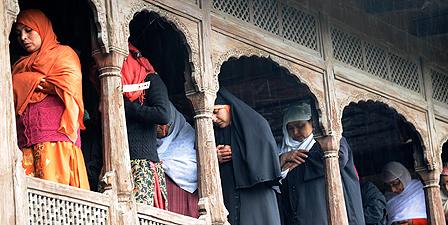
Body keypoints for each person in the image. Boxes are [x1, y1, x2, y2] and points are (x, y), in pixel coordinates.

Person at [12, 9, 89, 189]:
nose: (23, 37)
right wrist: (37, 81)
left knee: (57, 199)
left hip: (57, 143)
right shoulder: (20, 65)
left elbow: (69, 85)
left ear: (42, 29)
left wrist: (25, 82)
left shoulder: (64, 54)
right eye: (19, 34)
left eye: (28, 30)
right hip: (26, 143)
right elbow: (12, 86)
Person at [279, 102, 365, 225]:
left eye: (300, 125)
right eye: (290, 128)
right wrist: (281, 160)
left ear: (313, 123)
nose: (296, 132)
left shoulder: (332, 141)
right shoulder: (283, 152)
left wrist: (289, 167)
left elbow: (336, 158)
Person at [212, 88, 282, 225]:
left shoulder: (257, 125)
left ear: (229, 107)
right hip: (229, 195)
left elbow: (263, 156)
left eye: (216, 111)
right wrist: (214, 157)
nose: (214, 119)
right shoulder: (214, 132)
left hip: (257, 195)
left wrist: (235, 152)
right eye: (211, 115)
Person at [122, 42, 171, 208]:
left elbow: (163, 114)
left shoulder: (150, 79)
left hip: (142, 166)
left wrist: (128, 107)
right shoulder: (112, 84)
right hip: (118, 163)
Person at [157, 102, 199, 217]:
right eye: (157, 124)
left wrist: (164, 165)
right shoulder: (148, 145)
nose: (163, 129)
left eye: (165, 123)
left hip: (187, 200)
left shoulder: (190, 138)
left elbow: (193, 169)